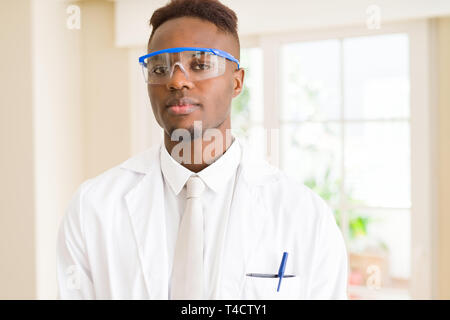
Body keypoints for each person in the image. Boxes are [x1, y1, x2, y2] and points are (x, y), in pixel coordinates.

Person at [56, 0, 348, 300]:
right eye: (160, 67)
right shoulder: (93, 208)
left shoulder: (305, 216)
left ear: (237, 82)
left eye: (200, 65)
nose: (177, 80)